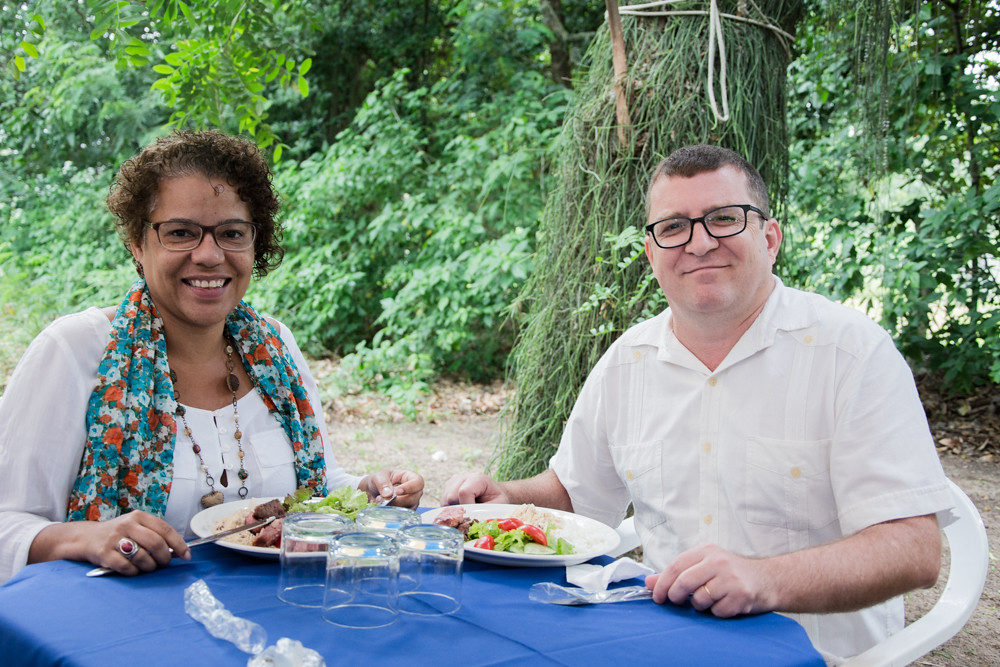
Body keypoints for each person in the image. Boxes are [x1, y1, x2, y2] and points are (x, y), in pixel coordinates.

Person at [442, 144, 954, 664]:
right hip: (662, 645)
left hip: (818, 655)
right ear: (652, 252)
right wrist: (504, 498)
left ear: (770, 238)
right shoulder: (627, 362)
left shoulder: (851, 354)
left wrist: (764, 580)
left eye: (724, 219)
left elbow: (913, 550)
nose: (699, 242)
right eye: (673, 227)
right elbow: (575, 495)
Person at [0, 130, 423, 583]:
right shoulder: (74, 351)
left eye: (231, 233)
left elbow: (314, 490)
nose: (208, 255)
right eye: (180, 232)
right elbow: (8, 524)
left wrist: (368, 490)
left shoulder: (274, 349)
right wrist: (84, 538)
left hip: (281, 616)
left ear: (254, 244)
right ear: (137, 243)